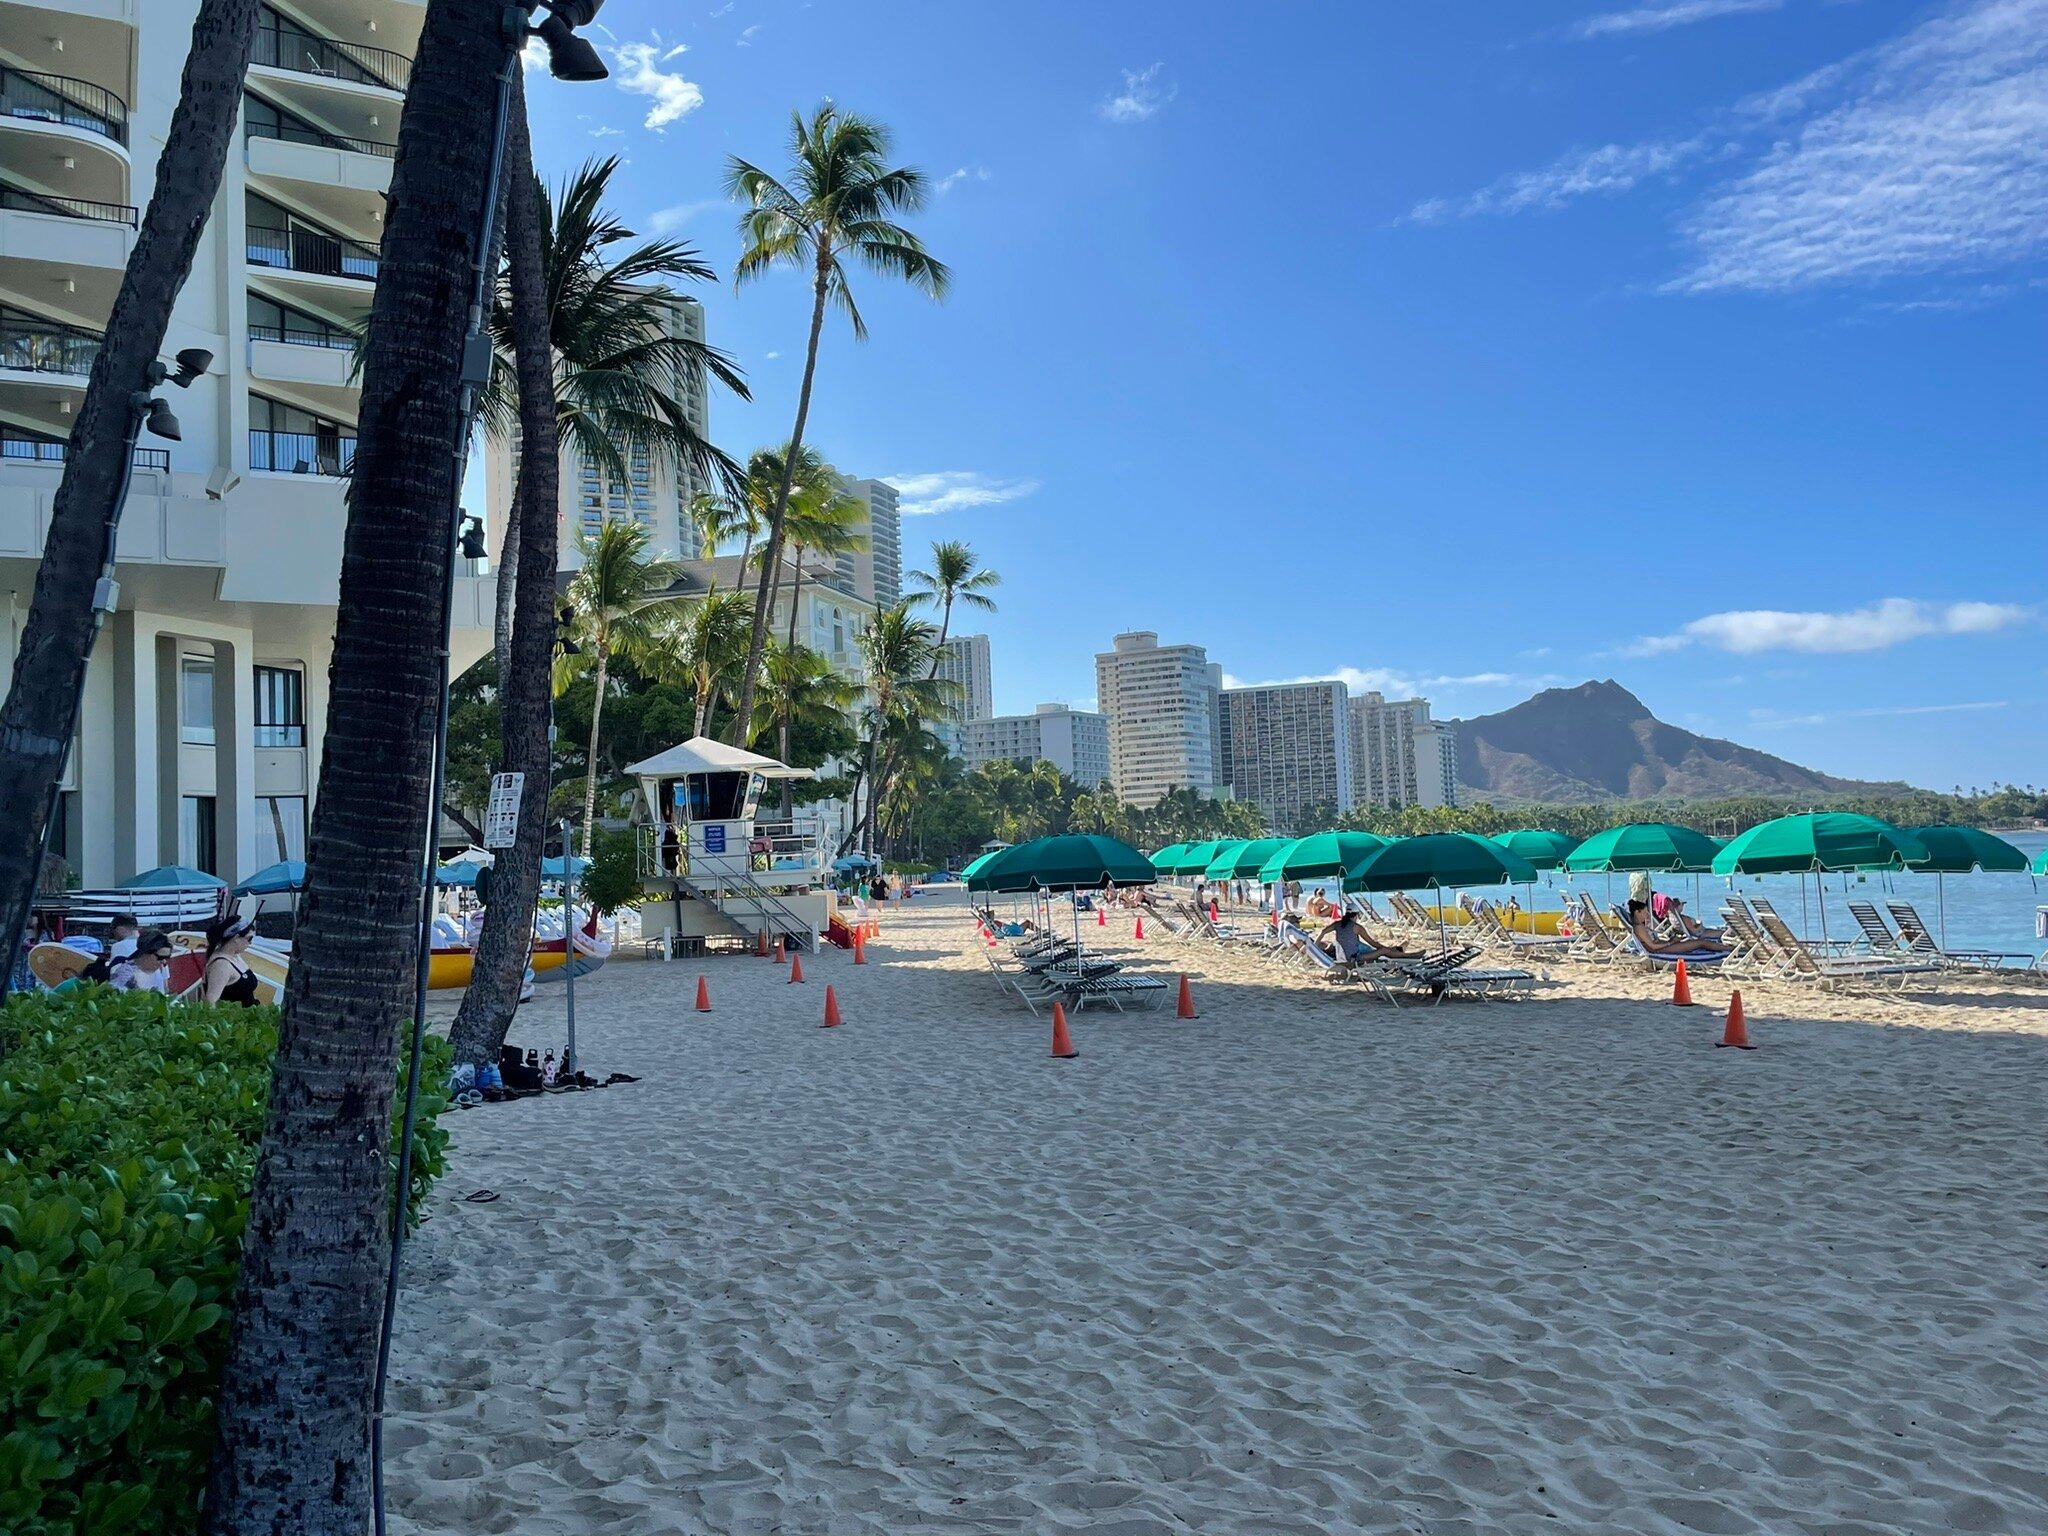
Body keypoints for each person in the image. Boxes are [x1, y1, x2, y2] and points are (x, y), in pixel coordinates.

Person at [1625, 872, 1728, 957]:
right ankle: (1730, 949)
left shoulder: (1640, 926)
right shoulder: (1639, 928)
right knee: (1701, 943)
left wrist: (1671, 940)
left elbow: (1654, 942)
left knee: (1700, 942)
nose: (1647, 914)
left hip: (1663, 946)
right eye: (1645, 912)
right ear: (1637, 912)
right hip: (1661, 950)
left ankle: (1729, 949)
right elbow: (1653, 946)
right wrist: (1671, 942)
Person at [1319, 908, 1425, 965]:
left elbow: (1323, 932)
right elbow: (1372, 943)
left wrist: (1314, 945)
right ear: (1356, 915)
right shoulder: (1357, 927)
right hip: (1354, 959)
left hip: (1342, 958)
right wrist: (1386, 949)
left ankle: (1406, 953)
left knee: (1385, 950)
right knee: (1383, 951)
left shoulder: (1337, 924)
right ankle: (1411, 956)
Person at [202, 914, 263, 1006]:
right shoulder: (221, 965)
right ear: (236, 938)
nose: (250, 943)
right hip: (236, 1017)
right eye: (249, 938)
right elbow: (210, 1001)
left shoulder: (235, 956)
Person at [79, 912, 142, 984]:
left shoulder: (119, 946)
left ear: (121, 928)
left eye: (113, 928)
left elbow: (114, 974)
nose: (113, 934)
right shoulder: (146, 945)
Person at [108, 929, 175, 993]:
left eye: (167, 957)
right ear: (145, 954)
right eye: (160, 957)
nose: (164, 961)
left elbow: (165, 990)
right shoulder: (125, 974)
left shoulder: (160, 968)